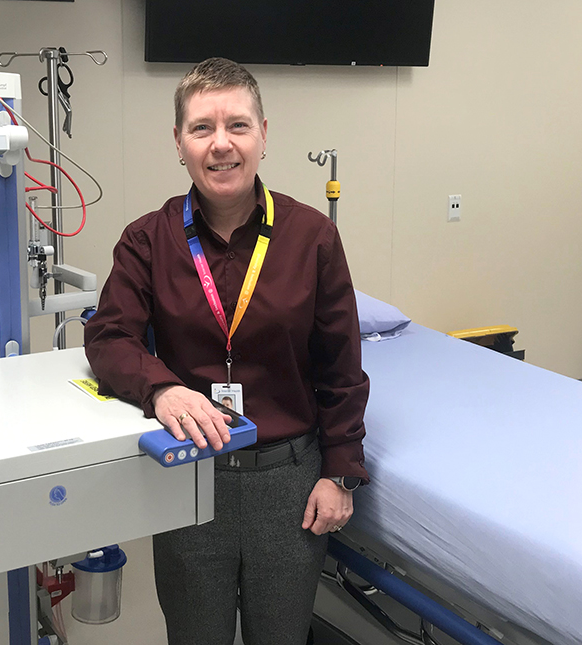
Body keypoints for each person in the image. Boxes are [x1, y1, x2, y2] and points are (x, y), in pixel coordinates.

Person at [84, 57, 370, 645]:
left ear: (264, 134)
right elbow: (109, 336)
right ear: (179, 143)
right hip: (188, 476)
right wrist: (161, 388)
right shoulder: (147, 240)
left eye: (238, 125)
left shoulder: (312, 236)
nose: (222, 145)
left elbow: (340, 362)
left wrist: (340, 473)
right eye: (202, 128)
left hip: (290, 484)